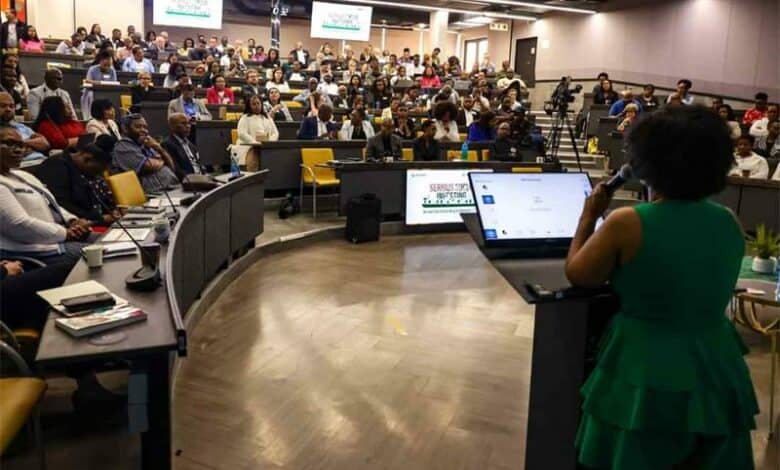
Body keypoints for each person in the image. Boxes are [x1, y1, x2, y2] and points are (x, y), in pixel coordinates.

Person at [567, 105, 759, 469]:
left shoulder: (627, 222)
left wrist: (588, 215)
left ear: (648, 161)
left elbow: (579, 273)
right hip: (715, 363)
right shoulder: (728, 221)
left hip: (645, 363)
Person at [0, 126, 91, 264]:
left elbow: (51, 204)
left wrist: (72, 221)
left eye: (21, 145)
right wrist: (66, 233)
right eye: (9, 143)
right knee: (101, 251)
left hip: (57, 236)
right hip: (30, 249)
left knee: (111, 240)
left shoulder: (23, 175)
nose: (18, 150)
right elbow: (19, 225)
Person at [34, 134, 121, 225]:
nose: (96, 175)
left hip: (90, 221)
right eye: (95, 171)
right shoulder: (55, 166)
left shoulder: (80, 169)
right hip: (66, 224)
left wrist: (111, 211)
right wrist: (99, 218)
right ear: (87, 159)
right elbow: (60, 204)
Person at [112, 114, 179, 193]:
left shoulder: (146, 144)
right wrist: (162, 160)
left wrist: (159, 148)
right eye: (138, 127)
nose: (143, 130)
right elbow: (149, 165)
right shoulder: (123, 146)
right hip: (154, 193)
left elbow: (171, 167)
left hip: (172, 187)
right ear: (125, 129)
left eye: (145, 127)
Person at [0, 92, 49, 162]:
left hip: (41, 161)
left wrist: (21, 143)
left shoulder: (21, 126)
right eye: (3, 106)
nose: (8, 109)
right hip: (20, 165)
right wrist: (32, 145)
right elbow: (8, 154)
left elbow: (44, 144)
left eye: (11, 106)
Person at [234, 95, 279, 163]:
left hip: (266, 146)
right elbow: (242, 133)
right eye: (254, 104)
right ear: (249, 106)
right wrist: (255, 143)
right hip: (249, 146)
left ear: (261, 104)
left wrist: (269, 142)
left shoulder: (267, 117)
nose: (257, 106)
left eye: (258, 103)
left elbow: (275, 133)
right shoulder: (245, 118)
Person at [162, 113, 206, 179]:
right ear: (172, 126)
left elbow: (199, 164)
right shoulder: (167, 144)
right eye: (183, 123)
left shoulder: (190, 144)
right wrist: (193, 179)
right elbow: (175, 169)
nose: (188, 126)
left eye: (189, 123)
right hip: (187, 181)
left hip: (200, 179)